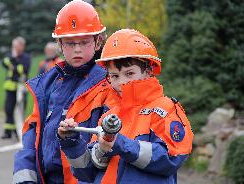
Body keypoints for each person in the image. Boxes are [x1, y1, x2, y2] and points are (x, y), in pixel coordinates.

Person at [58, 29, 194, 184]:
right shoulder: (109, 116)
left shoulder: (165, 110)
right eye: (114, 76)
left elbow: (172, 158)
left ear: (149, 70)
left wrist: (120, 144)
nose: (121, 82)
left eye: (129, 74)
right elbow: (86, 174)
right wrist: (71, 141)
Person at [13, 0, 119, 184]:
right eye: (70, 43)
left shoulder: (109, 84)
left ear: (97, 42)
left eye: (84, 42)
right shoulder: (48, 84)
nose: (77, 49)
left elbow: (106, 151)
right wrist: (25, 178)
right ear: (60, 44)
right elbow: (32, 135)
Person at [1, 36, 31, 139]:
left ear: (22, 46)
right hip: (10, 87)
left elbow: (23, 69)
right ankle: (8, 131)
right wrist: (14, 64)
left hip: (21, 88)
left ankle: (19, 131)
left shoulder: (26, 57)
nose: (14, 48)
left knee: (20, 110)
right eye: (13, 46)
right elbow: (4, 63)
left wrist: (13, 62)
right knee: (8, 109)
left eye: (16, 46)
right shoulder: (10, 55)